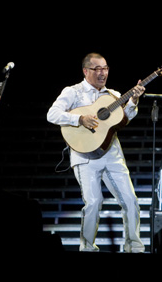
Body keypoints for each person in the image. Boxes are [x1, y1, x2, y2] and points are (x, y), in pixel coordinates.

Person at [47, 53, 145, 252]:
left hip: (111, 152)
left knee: (130, 199)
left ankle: (134, 247)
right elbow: (52, 114)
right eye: (97, 69)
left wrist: (133, 100)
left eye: (106, 68)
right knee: (93, 203)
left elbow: (125, 118)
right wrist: (79, 119)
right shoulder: (73, 91)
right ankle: (87, 248)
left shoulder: (114, 95)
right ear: (86, 71)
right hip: (84, 155)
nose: (103, 73)